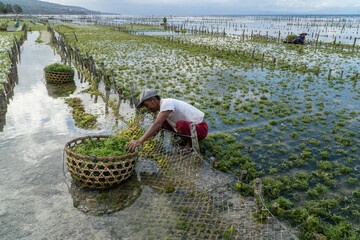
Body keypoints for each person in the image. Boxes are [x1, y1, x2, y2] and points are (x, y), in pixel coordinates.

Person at [127, 89, 208, 151]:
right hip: (192, 129)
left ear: (154, 99)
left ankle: (190, 145)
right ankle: (185, 138)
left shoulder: (167, 103)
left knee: (180, 124)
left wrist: (139, 141)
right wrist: (146, 141)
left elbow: (157, 124)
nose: (147, 109)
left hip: (201, 129)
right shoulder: (162, 108)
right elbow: (159, 125)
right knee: (163, 122)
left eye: (147, 105)